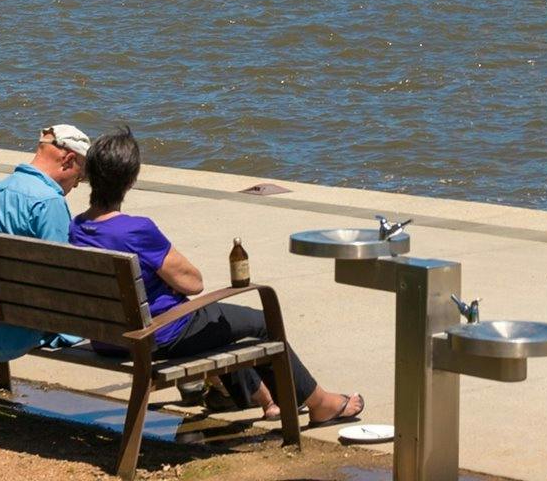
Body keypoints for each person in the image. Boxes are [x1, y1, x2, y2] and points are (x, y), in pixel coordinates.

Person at [71, 127, 365, 426]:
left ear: (91, 176)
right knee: (261, 323)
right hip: (157, 335)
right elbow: (193, 283)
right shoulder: (136, 229)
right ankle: (320, 403)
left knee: (221, 323)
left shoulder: (77, 228)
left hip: (108, 340)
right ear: (130, 180)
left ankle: (265, 399)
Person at [0, 123, 92, 361]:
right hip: (26, 329)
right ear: (68, 160)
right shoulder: (48, 201)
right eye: (79, 176)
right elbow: (64, 275)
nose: (75, 185)